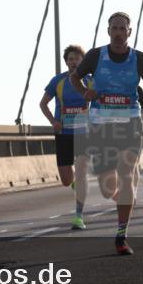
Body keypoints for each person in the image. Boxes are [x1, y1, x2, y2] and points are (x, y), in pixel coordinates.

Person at [71, 12, 143, 256]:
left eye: (123, 28)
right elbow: (74, 77)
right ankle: (124, 195)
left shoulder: (138, 58)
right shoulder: (95, 55)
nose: (119, 32)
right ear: (108, 30)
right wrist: (84, 92)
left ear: (129, 32)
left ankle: (121, 236)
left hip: (130, 124)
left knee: (125, 172)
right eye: (115, 28)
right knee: (106, 188)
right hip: (101, 126)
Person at [40, 45, 92, 230]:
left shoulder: (90, 81)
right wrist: (53, 121)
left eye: (77, 59)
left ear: (83, 61)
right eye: (70, 59)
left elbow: (100, 101)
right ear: (66, 62)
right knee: (66, 180)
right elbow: (43, 103)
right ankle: (77, 184)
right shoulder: (58, 81)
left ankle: (79, 216)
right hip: (63, 134)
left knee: (82, 170)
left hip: (84, 134)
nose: (73, 62)